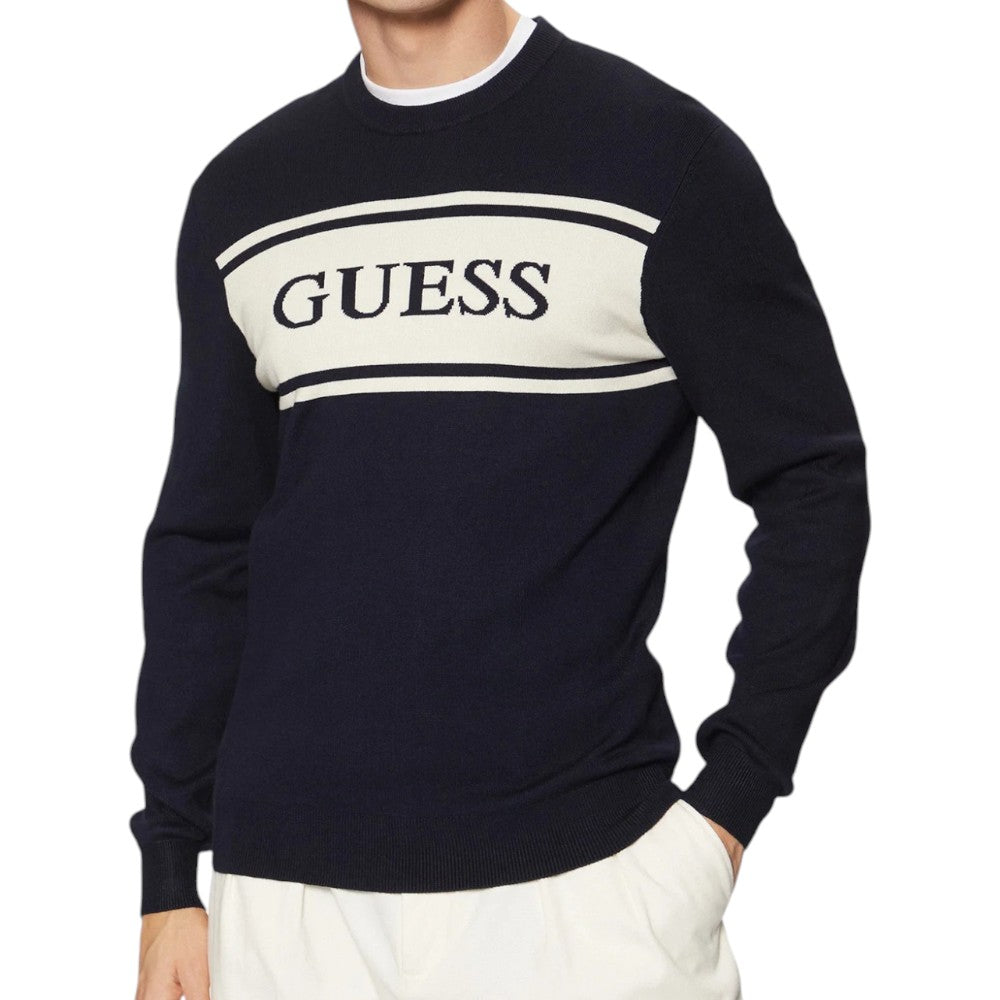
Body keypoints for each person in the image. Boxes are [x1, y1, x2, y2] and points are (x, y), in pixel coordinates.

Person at [130, 2, 871, 998]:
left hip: (585, 899)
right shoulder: (248, 196)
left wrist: (726, 808)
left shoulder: (659, 158)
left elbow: (813, 480)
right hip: (283, 911)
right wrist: (169, 873)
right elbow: (205, 542)